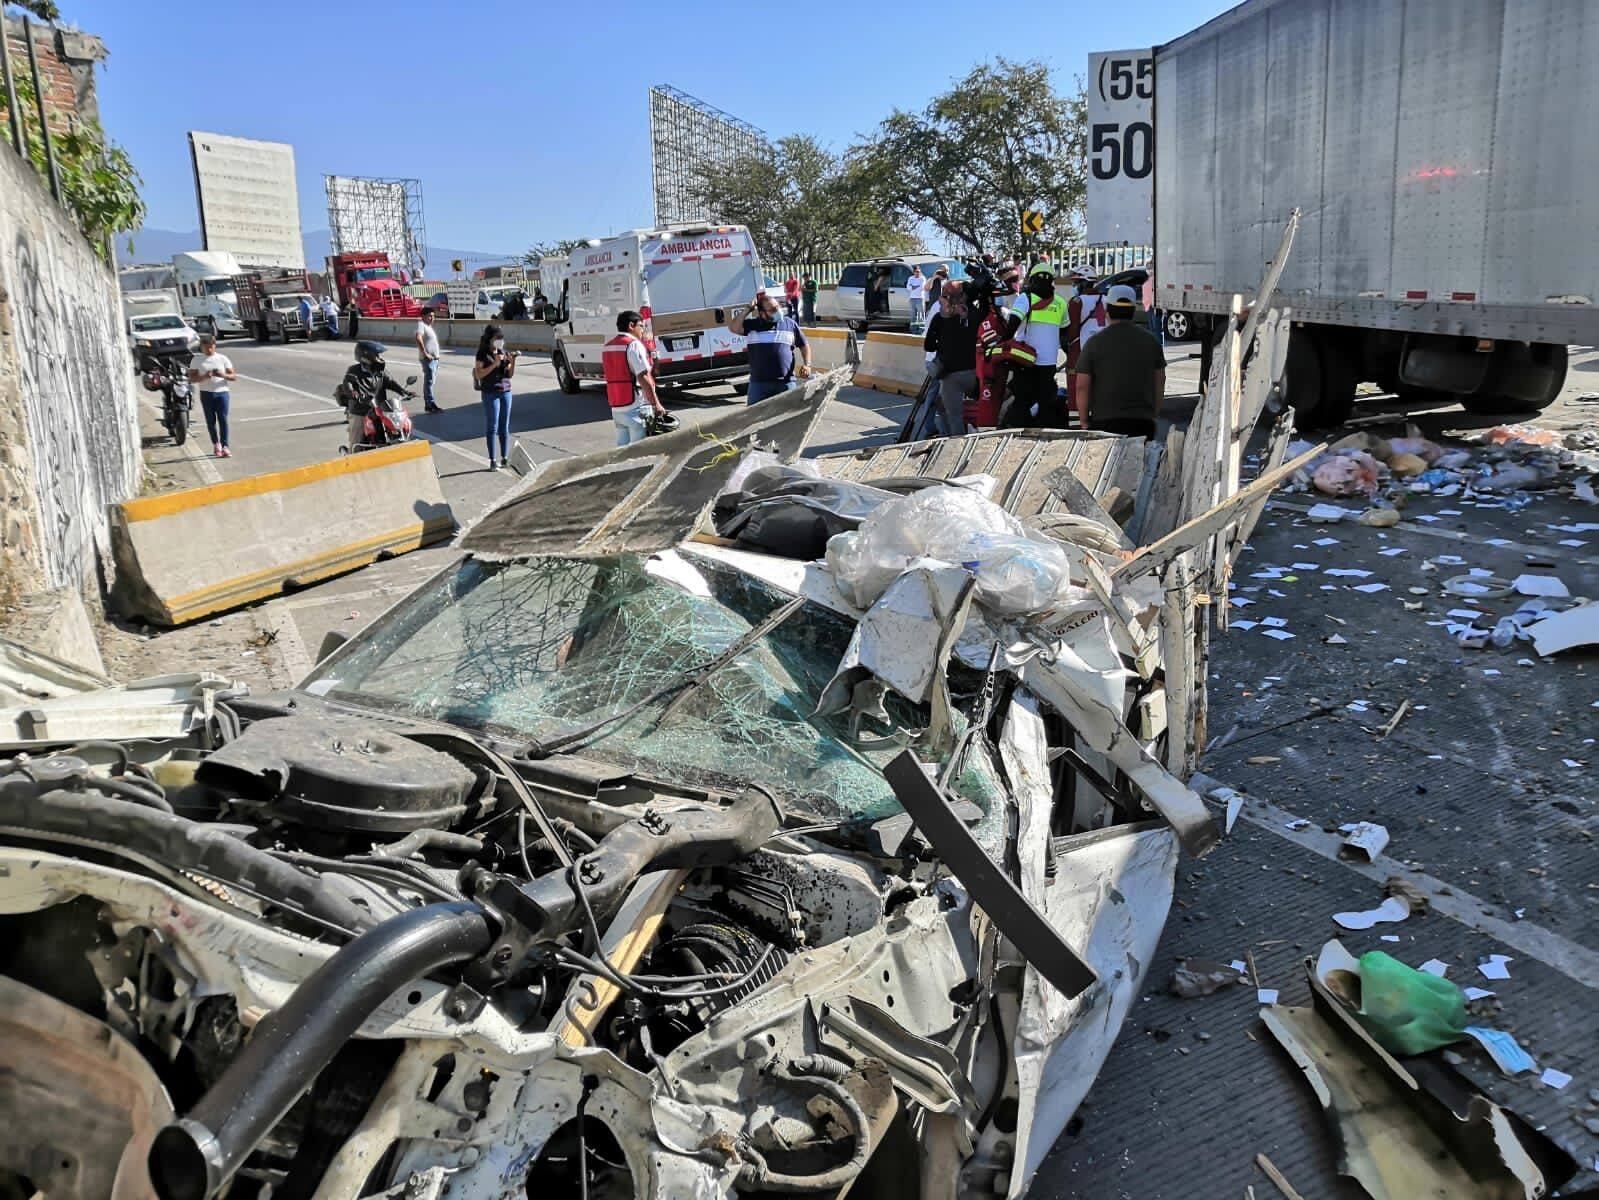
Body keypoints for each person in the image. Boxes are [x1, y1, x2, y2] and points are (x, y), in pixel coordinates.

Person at [1074, 284, 1166, 440]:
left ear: (1107, 310)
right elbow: (1160, 380)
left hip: (1104, 423)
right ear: (1132, 311)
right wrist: (1154, 413)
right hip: (1142, 422)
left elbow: (1082, 386)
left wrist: (1084, 421)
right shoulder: (1151, 341)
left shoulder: (1094, 343)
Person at [1002, 263, 1069, 426]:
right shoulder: (1060, 302)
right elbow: (1064, 333)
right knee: (1046, 400)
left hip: (1026, 360)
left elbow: (1013, 323)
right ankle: (1044, 431)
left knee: (1023, 399)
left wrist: (1002, 344)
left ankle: (1018, 429)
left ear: (1032, 280)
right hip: (1049, 363)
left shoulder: (1026, 298)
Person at [727, 288, 812, 404]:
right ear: (762, 313)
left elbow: (804, 345)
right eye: (773, 310)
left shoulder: (789, 324)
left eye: (778, 307)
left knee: (789, 418)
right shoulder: (753, 325)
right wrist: (747, 310)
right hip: (759, 385)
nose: (778, 311)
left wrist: (807, 365)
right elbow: (733, 328)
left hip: (786, 383)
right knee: (753, 419)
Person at [603, 310, 668, 446]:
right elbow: (643, 377)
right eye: (641, 326)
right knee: (638, 450)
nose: (643, 330)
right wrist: (656, 404)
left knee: (622, 448)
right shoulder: (633, 344)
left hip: (616, 405)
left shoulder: (608, 347)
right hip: (635, 406)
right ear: (631, 326)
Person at [923, 280, 978, 436]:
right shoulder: (973, 314)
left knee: (954, 417)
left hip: (951, 376)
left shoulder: (940, 318)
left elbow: (929, 346)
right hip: (976, 372)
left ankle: (955, 446)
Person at [334, 340, 409, 454]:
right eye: (376, 355)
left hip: (380, 410)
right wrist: (354, 393)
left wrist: (404, 391)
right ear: (366, 356)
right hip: (361, 411)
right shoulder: (354, 371)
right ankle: (352, 458)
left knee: (397, 429)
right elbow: (347, 384)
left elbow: (391, 382)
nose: (378, 358)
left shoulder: (380, 371)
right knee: (356, 442)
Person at [472, 324, 518, 468]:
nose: (500, 341)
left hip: (505, 392)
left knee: (504, 427)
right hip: (490, 393)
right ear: (490, 339)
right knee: (493, 426)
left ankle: (504, 457)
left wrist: (512, 361)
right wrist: (495, 364)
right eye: (497, 338)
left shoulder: (502, 351)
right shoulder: (482, 354)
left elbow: (509, 374)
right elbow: (479, 374)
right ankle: (492, 460)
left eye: (501, 338)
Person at [187, 333, 236, 458]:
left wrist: (223, 375)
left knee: (223, 419)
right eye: (205, 347)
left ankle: (225, 446)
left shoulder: (222, 358)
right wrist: (204, 377)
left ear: (214, 345)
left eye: (211, 346)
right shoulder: (196, 360)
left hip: (222, 393)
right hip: (206, 394)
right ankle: (216, 443)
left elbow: (233, 376)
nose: (209, 349)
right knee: (210, 421)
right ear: (201, 347)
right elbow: (191, 379)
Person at [415, 307, 443, 413]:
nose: (432, 318)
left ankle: (430, 404)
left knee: (431, 382)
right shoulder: (421, 325)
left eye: (433, 316)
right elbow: (418, 338)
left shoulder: (428, 327)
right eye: (429, 316)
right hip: (428, 360)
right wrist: (425, 353)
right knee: (429, 382)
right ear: (423, 316)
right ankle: (429, 405)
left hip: (434, 360)